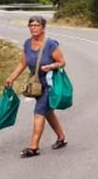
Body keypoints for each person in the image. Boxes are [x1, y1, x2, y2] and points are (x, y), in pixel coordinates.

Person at [4, 15, 67, 157]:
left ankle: (33, 147)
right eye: (31, 25)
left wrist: (51, 65)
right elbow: (23, 63)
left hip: (50, 83)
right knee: (48, 112)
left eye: (36, 25)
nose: (33, 28)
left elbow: (62, 62)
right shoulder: (27, 43)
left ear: (43, 28)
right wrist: (12, 77)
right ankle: (61, 137)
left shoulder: (50, 44)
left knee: (39, 112)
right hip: (37, 84)